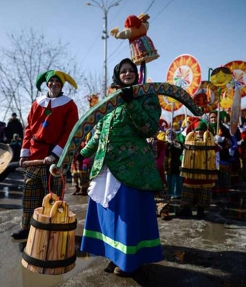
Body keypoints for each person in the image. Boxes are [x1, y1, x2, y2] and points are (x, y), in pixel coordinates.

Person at [79, 58, 163, 277]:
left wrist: (131, 103)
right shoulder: (109, 99)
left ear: (137, 73)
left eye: (131, 70)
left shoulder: (146, 95)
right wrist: (81, 153)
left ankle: (129, 262)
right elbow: (100, 131)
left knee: (127, 216)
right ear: (118, 75)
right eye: (123, 71)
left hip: (132, 167)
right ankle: (113, 255)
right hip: (107, 165)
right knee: (109, 214)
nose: (127, 74)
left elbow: (149, 128)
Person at [11, 70, 79, 240]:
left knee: (52, 197)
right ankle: (27, 227)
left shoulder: (70, 105)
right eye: (51, 81)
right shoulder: (37, 103)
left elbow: (70, 132)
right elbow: (28, 129)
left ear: (62, 85)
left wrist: (56, 154)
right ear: (47, 83)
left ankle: (51, 229)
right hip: (34, 156)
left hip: (53, 158)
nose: (54, 84)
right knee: (30, 194)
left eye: (58, 81)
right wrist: (24, 153)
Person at [177, 120, 218, 218]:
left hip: (205, 174)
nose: (199, 132)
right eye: (198, 130)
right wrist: (183, 160)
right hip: (191, 175)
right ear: (194, 131)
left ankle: (201, 210)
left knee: (204, 193)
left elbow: (215, 154)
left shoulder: (210, 142)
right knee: (188, 193)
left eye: (202, 130)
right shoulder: (189, 141)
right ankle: (186, 210)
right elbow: (183, 155)